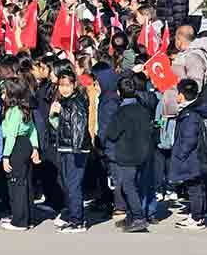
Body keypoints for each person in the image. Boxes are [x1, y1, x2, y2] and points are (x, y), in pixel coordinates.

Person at [103, 76, 153, 233]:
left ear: (119, 92)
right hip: (144, 153)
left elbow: (112, 134)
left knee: (127, 186)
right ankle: (132, 216)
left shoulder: (121, 112)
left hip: (127, 154)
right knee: (135, 185)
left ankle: (138, 217)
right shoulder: (143, 109)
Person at [49, 69, 92, 233]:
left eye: (67, 85)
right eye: (61, 85)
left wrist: (76, 149)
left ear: (74, 85)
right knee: (68, 184)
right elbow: (59, 126)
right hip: (65, 147)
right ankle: (73, 216)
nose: (64, 89)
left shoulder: (76, 101)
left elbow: (79, 126)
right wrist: (54, 114)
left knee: (73, 185)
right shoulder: (64, 102)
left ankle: (77, 221)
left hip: (75, 150)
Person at [0, 77, 41, 231]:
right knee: (26, 182)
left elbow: (11, 135)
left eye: (4, 92)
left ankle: (19, 221)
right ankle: (29, 218)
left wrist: (5, 156)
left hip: (16, 147)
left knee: (16, 183)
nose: (2, 95)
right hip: (26, 145)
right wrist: (35, 147)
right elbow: (32, 130)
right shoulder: (25, 109)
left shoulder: (13, 111)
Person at [170, 79, 207, 230]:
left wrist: (180, 154)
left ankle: (197, 218)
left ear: (182, 95)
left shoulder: (190, 114)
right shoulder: (193, 110)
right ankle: (197, 214)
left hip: (193, 158)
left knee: (195, 189)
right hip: (196, 157)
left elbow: (189, 139)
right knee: (197, 188)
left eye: (178, 93)